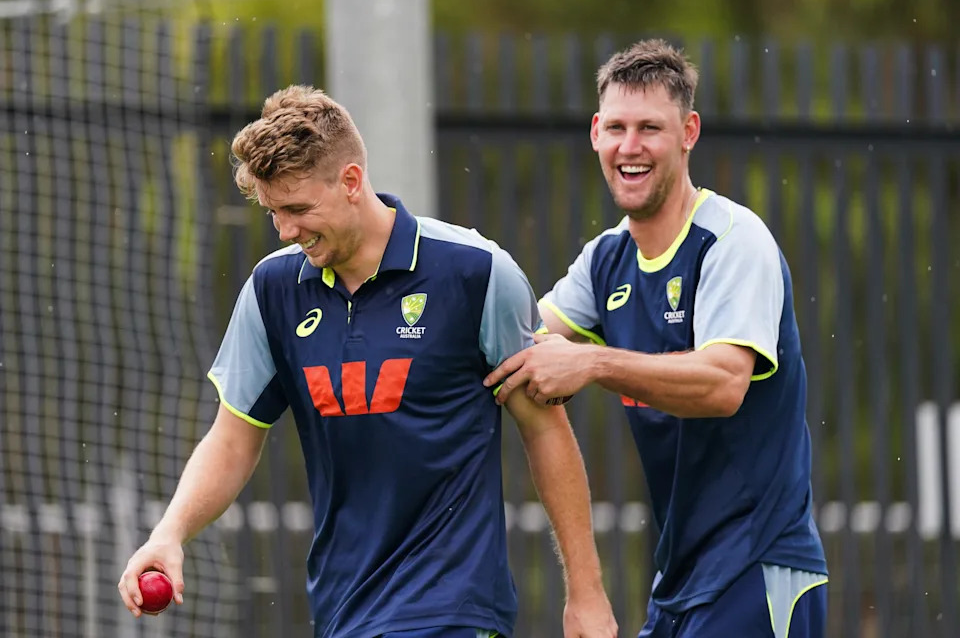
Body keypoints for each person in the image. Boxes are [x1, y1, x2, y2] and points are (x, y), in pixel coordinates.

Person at [117, 85, 618, 638]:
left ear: (351, 182)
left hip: (453, 607)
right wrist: (170, 532)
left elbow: (545, 430)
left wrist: (586, 593)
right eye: (273, 212)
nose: (285, 230)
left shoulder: (475, 273)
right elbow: (233, 438)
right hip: (344, 610)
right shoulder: (272, 290)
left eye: (299, 209)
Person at [484, 40, 828, 638]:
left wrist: (592, 363)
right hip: (679, 581)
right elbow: (518, 349)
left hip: (757, 567)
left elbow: (723, 384)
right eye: (616, 127)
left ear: (689, 131)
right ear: (595, 133)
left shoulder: (732, 241)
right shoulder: (606, 259)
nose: (630, 147)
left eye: (651, 128)